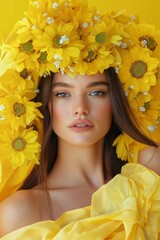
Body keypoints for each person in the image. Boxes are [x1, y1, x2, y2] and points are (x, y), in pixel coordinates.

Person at [0, 0, 160, 239]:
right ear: (44, 104)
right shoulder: (19, 211)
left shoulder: (148, 178)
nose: (80, 109)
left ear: (116, 101)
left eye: (96, 92)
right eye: (63, 94)